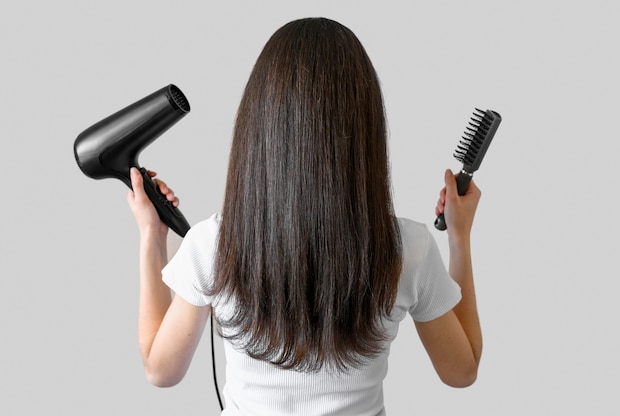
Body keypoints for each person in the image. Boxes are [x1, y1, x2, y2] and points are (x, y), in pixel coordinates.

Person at [127, 17, 482, 416]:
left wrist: (152, 238)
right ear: (365, 134)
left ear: (258, 128)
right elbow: (461, 370)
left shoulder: (213, 245)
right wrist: (459, 236)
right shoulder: (407, 250)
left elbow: (161, 370)